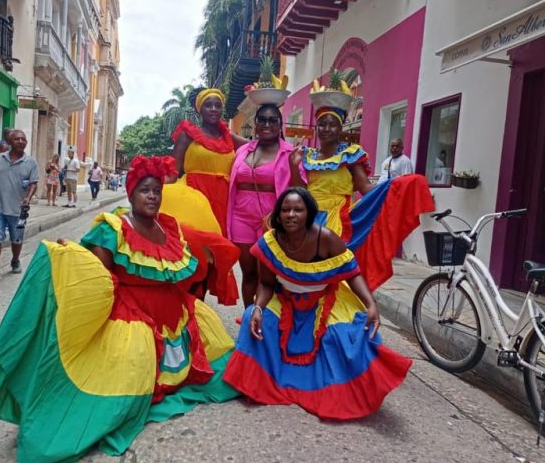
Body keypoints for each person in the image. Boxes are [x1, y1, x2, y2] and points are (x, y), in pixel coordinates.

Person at [0, 155, 239, 463]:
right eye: (145, 190)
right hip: (135, 317)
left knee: (229, 370)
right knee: (121, 382)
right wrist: (70, 256)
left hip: (176, 316)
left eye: (157, 191)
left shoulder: (169, 227)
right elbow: (97, 274)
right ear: (130, 194)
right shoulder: (115, 228)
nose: (152, 196)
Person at [223, 188, 411, 419]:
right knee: (254, 318)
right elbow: (266, 284)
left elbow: (352, 273)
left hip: (326, 301)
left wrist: (371, 304)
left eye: (297, 210)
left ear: (309, 213)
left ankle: (346, 390)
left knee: (348, 335)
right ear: (278, 215)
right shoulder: (269, 243)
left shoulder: (326, 238)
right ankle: (264, 381)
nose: (291, 214)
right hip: (286, 301)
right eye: (285, 210)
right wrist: (259, 308)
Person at [290, 105, 434, 290]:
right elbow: (299, 191)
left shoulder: (349, 156)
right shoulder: (307, 156)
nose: (326, 129)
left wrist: (397, 188)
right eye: (322, 124)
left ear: (340, 128)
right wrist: (294, 167)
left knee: (333, 271)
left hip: (337, 219)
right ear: (316, 128)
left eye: (332, 124)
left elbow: (366, 188)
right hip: (309, 216)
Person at [227, 103, 306, 307]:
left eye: (273, 120)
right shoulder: (243, 150)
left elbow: (301, 192)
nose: (267, 124)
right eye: (262, 119)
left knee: (267, 275)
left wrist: (294, 167)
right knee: (249, 273)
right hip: (240, 217)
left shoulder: (290, 153)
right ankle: (248, 319)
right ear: (255, 124)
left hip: (271, 220)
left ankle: (264, 320)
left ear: (280, 125)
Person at [170, 87, 247, 235]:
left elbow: (257, 145)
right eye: (208, 105)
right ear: (199, 109)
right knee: (196, 241)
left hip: (223, 198)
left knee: (220, 244)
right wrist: (154, 188)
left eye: (218, 105)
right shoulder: (187, 135)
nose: (213, 109)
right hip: (194, 194)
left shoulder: (229, 137)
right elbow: (172, 170)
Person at [0, 130, 39, 282]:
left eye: (23, 139)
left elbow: (33, 183)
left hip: (18, 208)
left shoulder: (31, 162)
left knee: (16, 239)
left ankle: (15, 259)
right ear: (10, 142)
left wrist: (28, 198)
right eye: (17, 139)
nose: (20, 141)